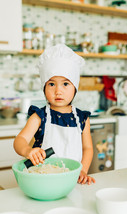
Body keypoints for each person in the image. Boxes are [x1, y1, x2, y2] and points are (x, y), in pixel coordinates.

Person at [14, 44, 95, 185]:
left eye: (65, 84)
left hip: (71, 181)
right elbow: (19, 140)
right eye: (51, 84)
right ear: (44, 87)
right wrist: (28, 151)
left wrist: (83, 170)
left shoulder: (82, 119)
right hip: (42, 180)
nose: (58, 91)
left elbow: (87, 148)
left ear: (75, 87)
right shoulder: (39, 116)